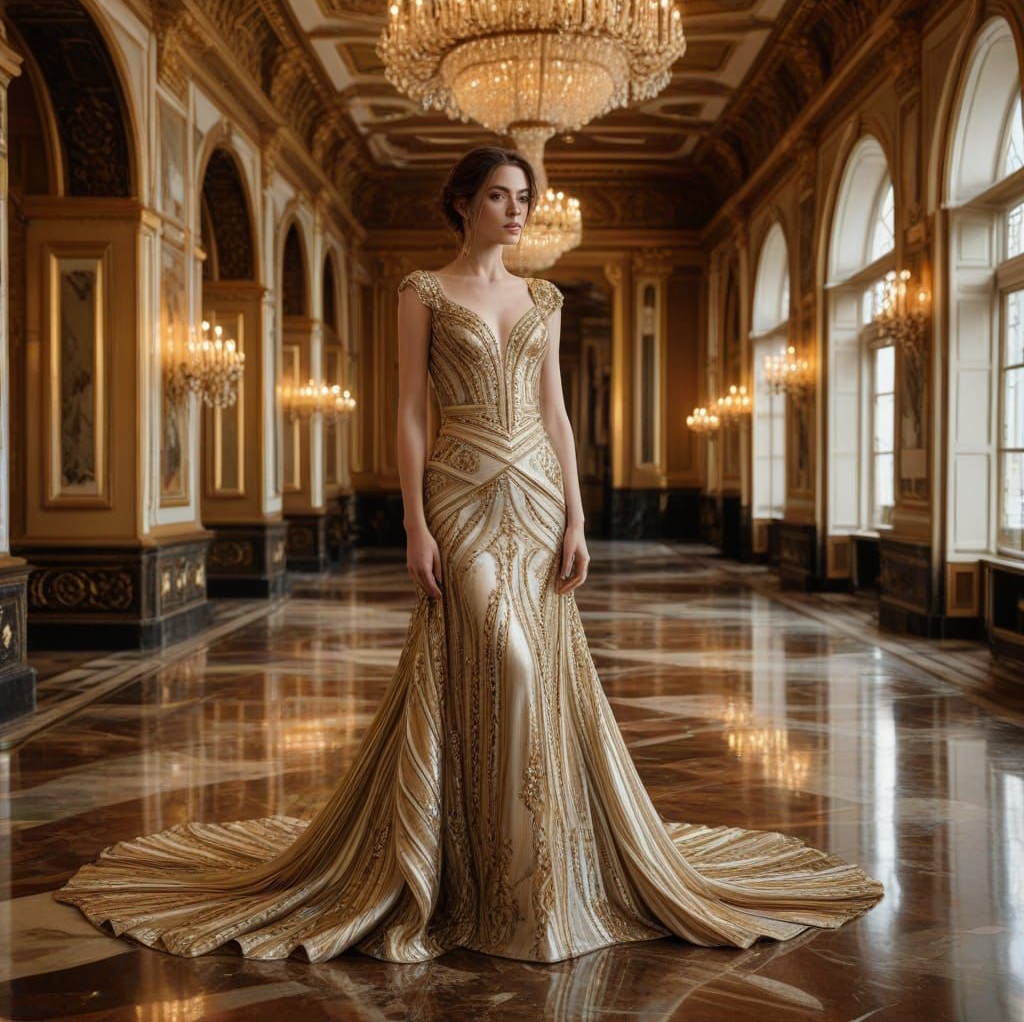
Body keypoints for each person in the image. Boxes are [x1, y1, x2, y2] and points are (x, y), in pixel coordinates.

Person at [54, 147, 883, 964]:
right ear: (462, 204)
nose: (517, 210)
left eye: (524, 195)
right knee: (504, 660)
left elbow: (556, 414)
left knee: (531, 668)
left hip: (538, 500)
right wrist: (415, 523)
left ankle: (529, 875)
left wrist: (580, 518)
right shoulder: (422, 291)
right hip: (460, 497)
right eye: (499, 195)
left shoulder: (544, 297)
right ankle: (485, 874)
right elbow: (411, 412)